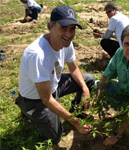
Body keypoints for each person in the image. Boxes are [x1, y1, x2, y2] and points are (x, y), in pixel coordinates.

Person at [15, 5, 95, 144]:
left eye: (72, 29)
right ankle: (29, 113)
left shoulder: (66, 43)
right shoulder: (38, 54)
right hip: (36, 100)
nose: (69, 34)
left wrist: (85, 89)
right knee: (55, 137)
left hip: (53, 85)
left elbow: (74, 68)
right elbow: (46, 98)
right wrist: (75, 123)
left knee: (88, 80)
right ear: (50, 26)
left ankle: (76, 110)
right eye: (63, 28)